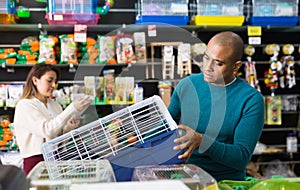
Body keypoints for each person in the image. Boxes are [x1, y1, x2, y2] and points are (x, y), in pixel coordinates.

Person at [169, 31, 264, 181]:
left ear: (236, 66)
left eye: (218, 63)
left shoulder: (251, 100)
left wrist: (202, 141)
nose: (207, 67)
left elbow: (241, 157)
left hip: (224, 182)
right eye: (206, 58)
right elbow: (165, 127)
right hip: (185, 177)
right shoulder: (187, 85)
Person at [13, 64, 93, 175]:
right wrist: (72, 108)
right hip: (36, 162)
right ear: (35, 80)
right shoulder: (25, 105)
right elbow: (47, 130)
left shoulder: (55, 105)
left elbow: (57, 137)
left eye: (55, 81)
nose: (54, 85)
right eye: (49, 81)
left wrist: (68, 129)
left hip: (57, 158)